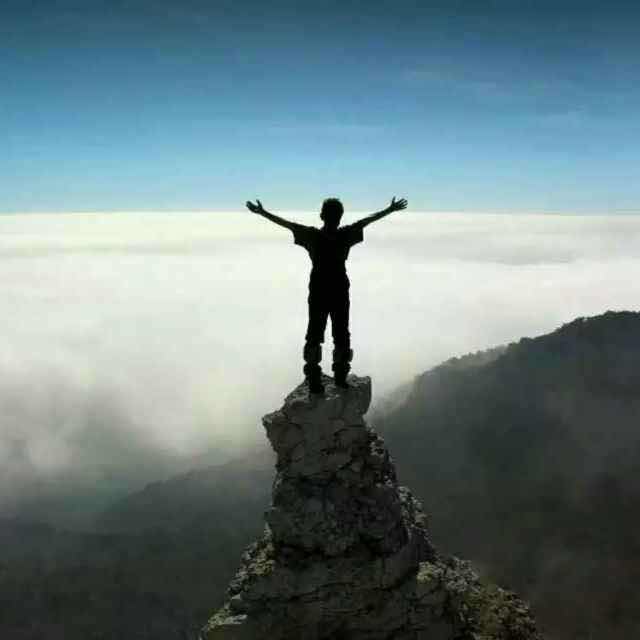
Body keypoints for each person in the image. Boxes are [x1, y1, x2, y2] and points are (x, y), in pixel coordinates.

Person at [246, 196, 408, 394]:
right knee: (341, 334)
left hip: (319, 289)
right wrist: (389, 210)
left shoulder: (312, 236)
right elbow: (367, 221)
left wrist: (263, 213)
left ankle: (314, 380)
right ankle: (340, 377)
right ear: (340, 217)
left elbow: (287, 224)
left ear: (322, 215)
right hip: (339, 289)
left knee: (315, 334)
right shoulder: (345, 234)